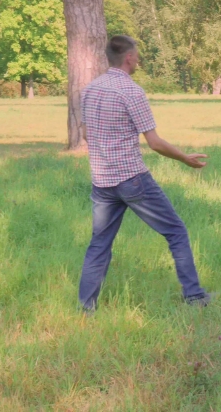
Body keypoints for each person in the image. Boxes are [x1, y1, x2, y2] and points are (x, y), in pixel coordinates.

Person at [78, 35, 213, 312]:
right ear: (128, 58)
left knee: (99, 244)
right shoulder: (132, 91)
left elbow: (86, 134)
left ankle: (86, 308)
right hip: (132, 180)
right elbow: (155, 142)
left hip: (102, 182)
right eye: (136, 55)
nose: (138, 59)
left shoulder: (89, 91)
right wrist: (185, 158)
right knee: (176, 232)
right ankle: (195, 297)